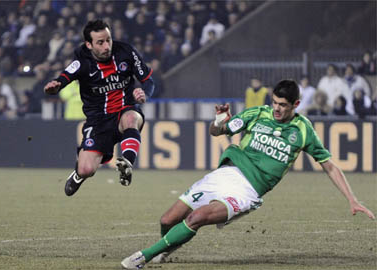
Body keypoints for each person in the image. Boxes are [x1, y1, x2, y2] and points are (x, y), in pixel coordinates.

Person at [121, 79, 375, 269]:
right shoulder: (258, 114)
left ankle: (144, 256)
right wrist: (220, 121)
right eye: (274, 102)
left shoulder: (304, 129)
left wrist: (352, 199)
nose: (276, 109)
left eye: (283, 105)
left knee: (197, 217)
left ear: (296, 105)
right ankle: (165, 248)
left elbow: (329, 165)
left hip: (247, 191)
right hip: (225, 174)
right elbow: (216, 132)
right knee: (167, 220)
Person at [43, 19, 154, 196]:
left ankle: (127, 162)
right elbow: (65, 76)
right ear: (89, 44)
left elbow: (148, 80)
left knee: (131, 118)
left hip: (124, 110)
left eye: (108, 40)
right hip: (98, 121)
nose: (106, 46)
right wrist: (57, 86)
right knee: (87, 169)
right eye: (100, 42)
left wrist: (144, 93)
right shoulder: (82, 60)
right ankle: (79, 175)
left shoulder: (126, 51)